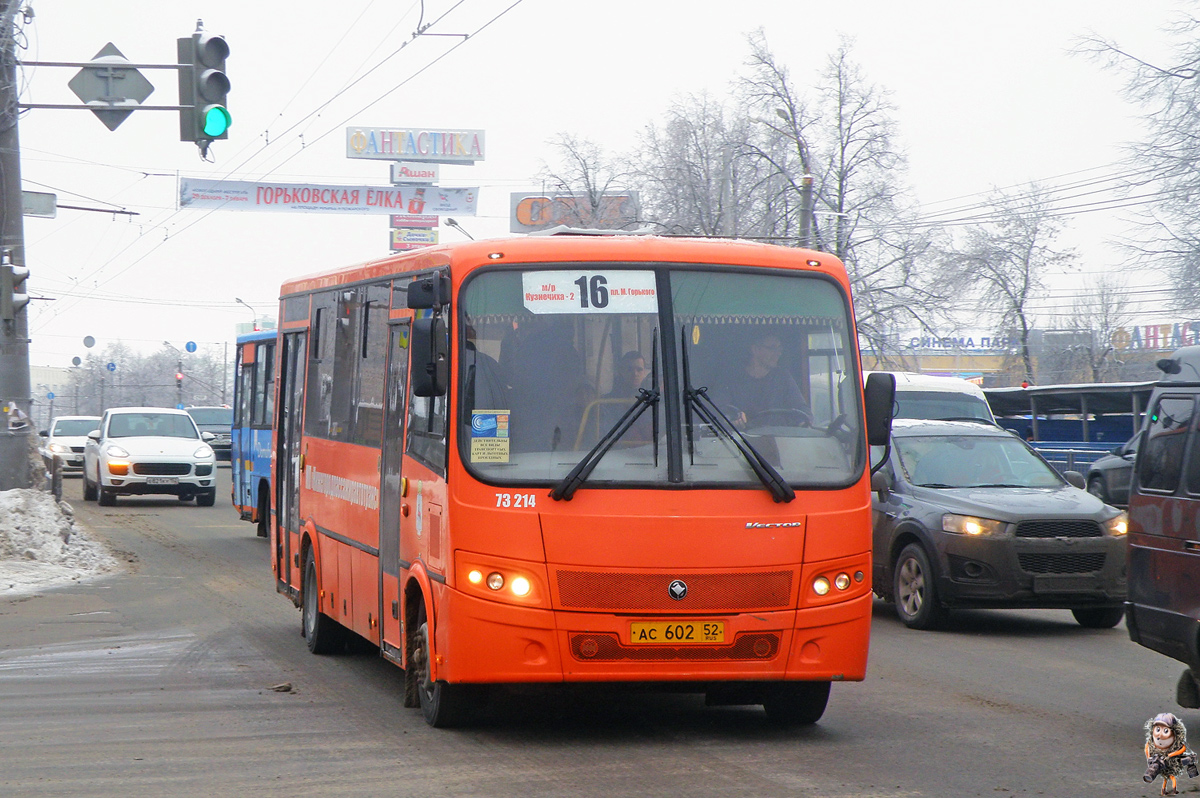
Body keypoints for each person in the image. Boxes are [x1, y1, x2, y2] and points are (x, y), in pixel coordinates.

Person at [724, 333, 810, 426]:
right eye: (772, 348)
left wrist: (803, 422)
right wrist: (734, 417)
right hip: (742, 439)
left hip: (779, 438)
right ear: (755, 349)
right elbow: (719, 410)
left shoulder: (783, 377)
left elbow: (802, 410)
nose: (778, 353)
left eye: (780, 349)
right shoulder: (732, 378)